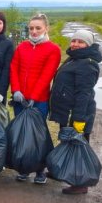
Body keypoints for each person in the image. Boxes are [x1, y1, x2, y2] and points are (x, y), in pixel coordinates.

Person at [10, 13, 61, 184]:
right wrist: (16, 90)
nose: (34, 31)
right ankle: (24, 168)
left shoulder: (53, 49)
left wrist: (33, 97)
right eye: (31, 28)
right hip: (19, 99)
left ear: (46, 28)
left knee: (38, 136)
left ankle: (40, 170)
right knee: (22, 135)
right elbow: (14, 68)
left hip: (38, 101)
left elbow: (47, 76)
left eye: (38, 28)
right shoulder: (22, 47)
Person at [49, 29, 102, 194]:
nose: (76, 44)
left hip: (77, 113)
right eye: (74, 41)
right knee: (67, 142)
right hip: (68, 111)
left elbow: (83, 94)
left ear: (88, 44)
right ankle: (63, 169)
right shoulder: (74, 59)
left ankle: (80, 183)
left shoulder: (87, 63)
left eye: (81, 42)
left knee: (79, 147)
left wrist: (78, 119)